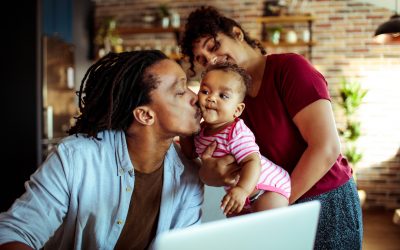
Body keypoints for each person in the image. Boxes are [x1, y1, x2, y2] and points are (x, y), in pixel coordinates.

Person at [180, 5, 363, 250]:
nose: (211, 60)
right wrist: (211, 174)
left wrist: (277, 209)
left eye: (213, 46)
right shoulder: (227, 102)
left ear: (237, 34)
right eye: (201, 60)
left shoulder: (289, 69)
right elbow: (222, 160)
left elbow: (326, 148)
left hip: (324, 201)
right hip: (271, 205)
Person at [0, 50, 203, 250]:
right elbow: (14, 233)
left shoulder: (190, 174)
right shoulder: (75, 158)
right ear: (145, 115)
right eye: (180, 91)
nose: (196, 98)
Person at [180, 62, 290, 216]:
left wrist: (242, 189)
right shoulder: (200, 131)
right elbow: (190, 153)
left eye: (223, 96)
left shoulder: (236, 132)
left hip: (268, 188)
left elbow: (252, 161)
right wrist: (185, 130)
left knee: (264, 227)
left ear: (237, 110)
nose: (211, 98)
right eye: (205, 91)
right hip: (238, 193)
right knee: (239, 230)